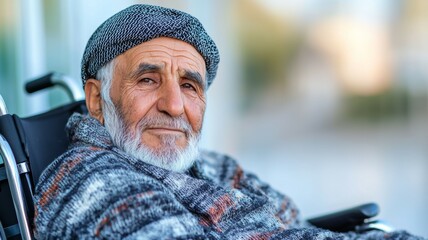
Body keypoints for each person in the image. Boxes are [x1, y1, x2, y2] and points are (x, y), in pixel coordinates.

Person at [33, 4, 424, 240]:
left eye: (190, 86)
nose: (174, 105)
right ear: (97, 99)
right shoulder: (95, 185)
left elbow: (287, 215)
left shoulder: (212, 166)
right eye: (149, 80)